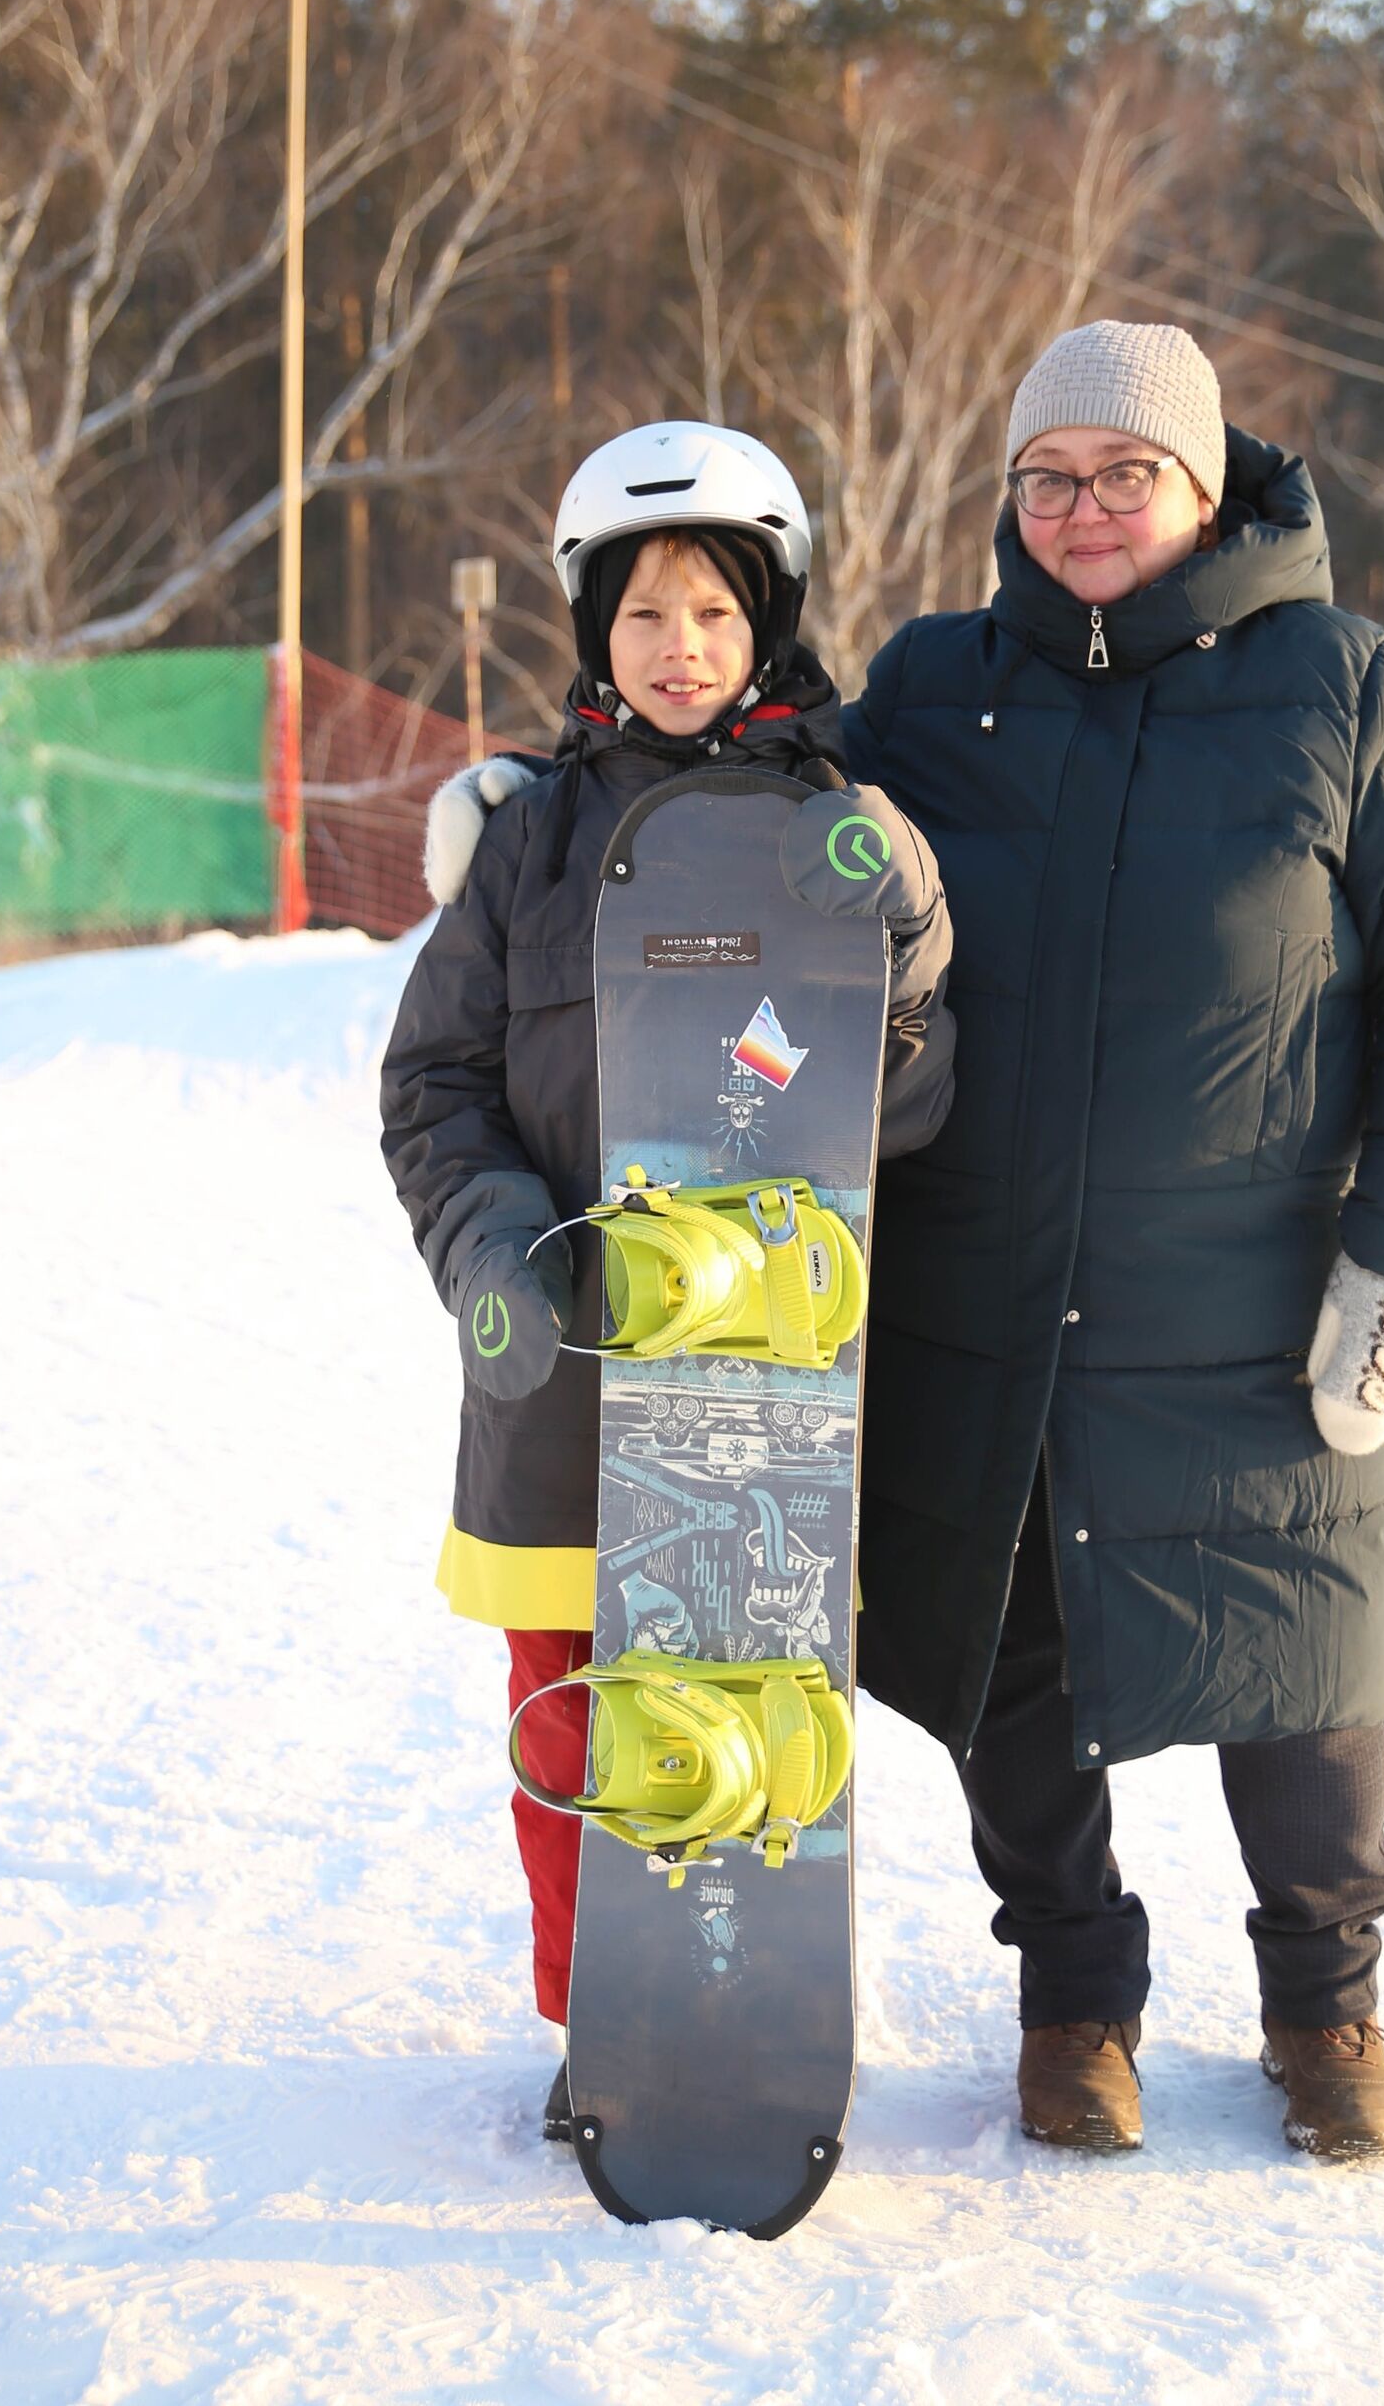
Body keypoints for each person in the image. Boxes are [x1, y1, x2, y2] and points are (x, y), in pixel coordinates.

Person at [429, 325, 1384, 2165]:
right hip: (987, 1293)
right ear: (1009, 499)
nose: (1085, 511)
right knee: (1013, 1671)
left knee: (1305, 1674)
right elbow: (736, 771)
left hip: (1253, 1292)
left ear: (1205, 486)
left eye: (1125, 475)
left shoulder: (1352, 691)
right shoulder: (944, 687)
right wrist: (531, 807)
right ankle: (1073, 1994)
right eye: (1049, 477)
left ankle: (1324, 2002)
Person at [380, 420, 955, 2135]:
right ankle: (599, 2022)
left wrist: (907, 955)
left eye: (711, 607)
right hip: (564, 1373)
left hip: (765, 1391)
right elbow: (434, 1088)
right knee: (574, 1726)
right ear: (590, 633)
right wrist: (495, 1250)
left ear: (766, 621)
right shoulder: (525, 848)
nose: (679, 646)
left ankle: (748, 2019)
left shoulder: (833, 834)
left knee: (745, 1716)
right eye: (642, 615)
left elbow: (912, 1106)